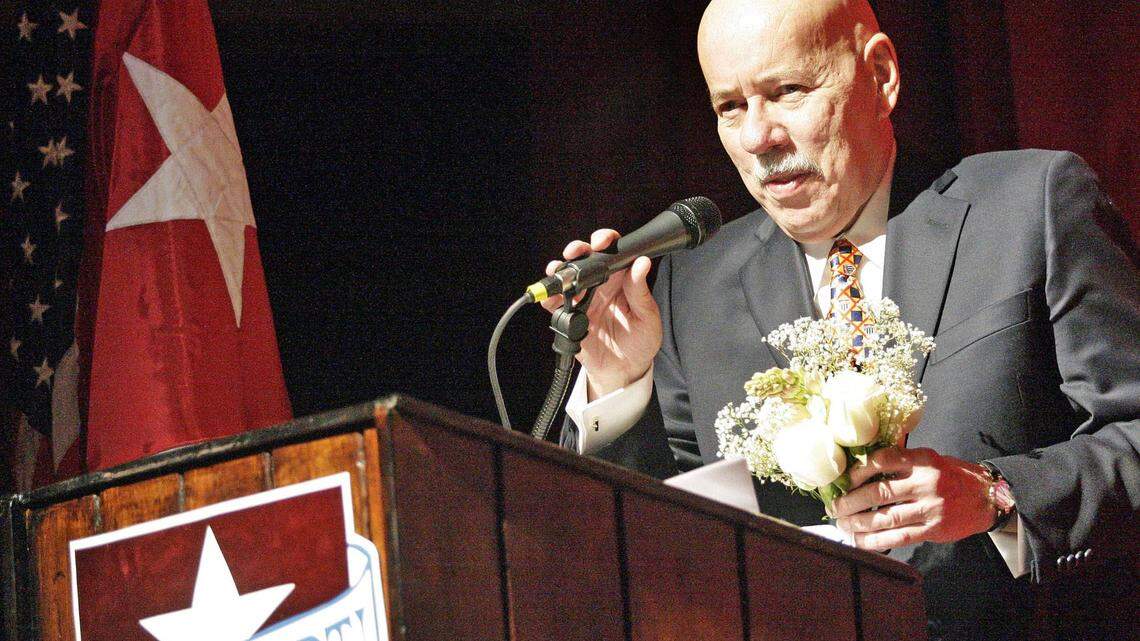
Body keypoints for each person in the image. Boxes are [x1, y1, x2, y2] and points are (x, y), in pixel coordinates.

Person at [542, 0, 1140, 639]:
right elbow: (664, 537)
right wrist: (619, 386)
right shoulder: (696, 286)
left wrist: (997, 496)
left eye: (788, 92)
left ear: (880, 75)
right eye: (731, 107)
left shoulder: (1030, 206)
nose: (758, 137)